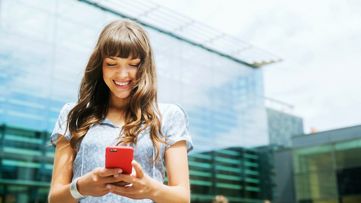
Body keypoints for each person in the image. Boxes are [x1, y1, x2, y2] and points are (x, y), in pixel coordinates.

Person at [48, 19, 193, 203]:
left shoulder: (169, 116)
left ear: (144, 66)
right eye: (112, 63)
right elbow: (55, 198)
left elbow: (182, 198)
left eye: (133, 64)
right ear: (100, 65)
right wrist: (80, 188)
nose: (123, 74)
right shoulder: (73, 114)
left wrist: (151, 189)